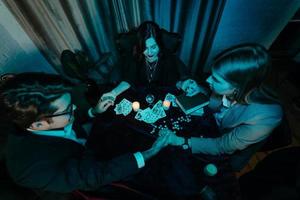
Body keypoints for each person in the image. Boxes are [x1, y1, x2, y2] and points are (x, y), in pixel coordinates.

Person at [0, 72, 171, 195]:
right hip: (83, 183)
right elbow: (94, 176)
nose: (74, 108)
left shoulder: (44, 119)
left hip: (87, 149)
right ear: (38, 124)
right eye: (68, 110)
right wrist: (149, 153)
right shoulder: (28, 169)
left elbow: (68, 119)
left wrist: (93, 112)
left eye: (71, 103)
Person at [162, 43, 283, 156]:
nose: (208, 80)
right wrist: (193, 87)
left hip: (219, 144)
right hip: (208, 123)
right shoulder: (235, 87)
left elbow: (222, 145)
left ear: (238, 86)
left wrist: (179, 141)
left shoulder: (266, 118)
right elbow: (213, 96)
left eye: (216, 79)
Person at [117, 21, 202, 96]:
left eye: (153, 47)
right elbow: (128, 79)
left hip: (161, 96)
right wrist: (113, 93)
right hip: (139, 95)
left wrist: (183, 84)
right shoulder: (134, 55)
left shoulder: (168, 56)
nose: (149, 53)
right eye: (145, 48)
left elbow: (173, 79)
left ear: (159, 44)